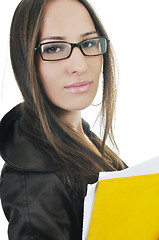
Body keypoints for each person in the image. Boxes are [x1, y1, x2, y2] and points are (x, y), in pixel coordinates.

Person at [0, 0, 127, 239]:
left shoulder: (80, 136)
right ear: (25, 59)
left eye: (88, 43)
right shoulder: (35, 180)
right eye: (53, 48)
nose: (79, 65)